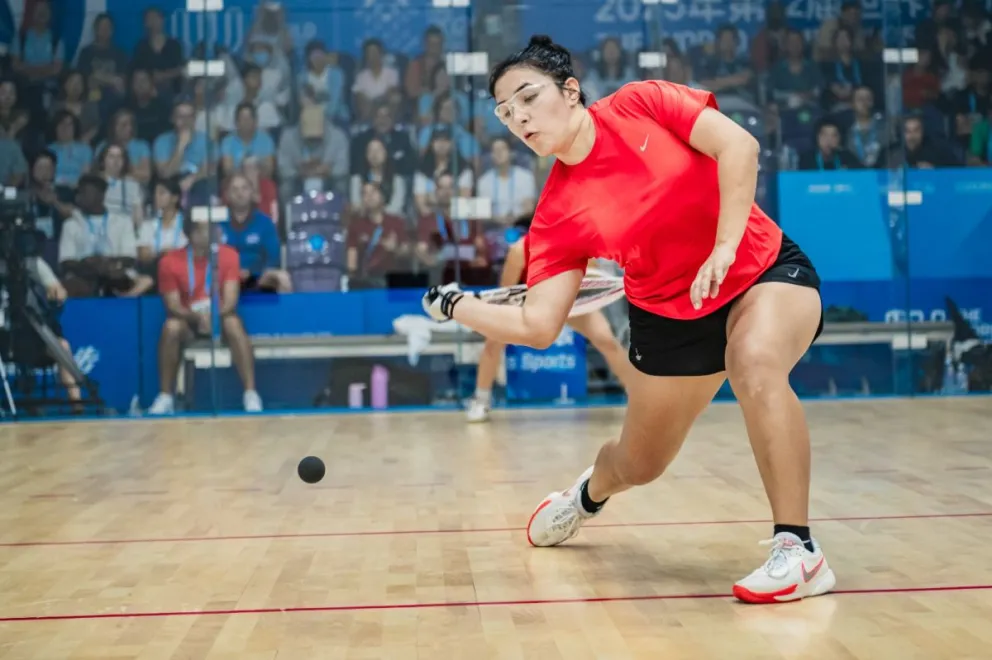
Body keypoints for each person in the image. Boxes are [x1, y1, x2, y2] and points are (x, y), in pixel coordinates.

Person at [421, 35, 834, 604]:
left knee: (754, 362)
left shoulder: (642, 102)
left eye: (528, 97)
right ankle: (586, 496)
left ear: (570, 91)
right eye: (505, 113)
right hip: (667, 318)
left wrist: (724, 246)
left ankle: (798, 549)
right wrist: (457, 305)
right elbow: (539, 325)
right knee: (639, 463)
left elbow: (739, 146)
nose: (519, 118)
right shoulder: (556, 214)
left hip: (761, 270)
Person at [466, 215, 631, 422]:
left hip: (570, 303)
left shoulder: (580, 246)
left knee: (605, 339)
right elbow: (506, 293)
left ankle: (634, 394)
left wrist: (578, 282)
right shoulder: (520, 250)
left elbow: (593, 284)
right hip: (528, 304)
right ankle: (481, 399)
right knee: (493, 342)